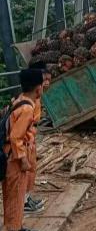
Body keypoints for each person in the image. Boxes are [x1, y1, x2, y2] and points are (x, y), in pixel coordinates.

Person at [2, 69, 43, 231]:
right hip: (14, 159)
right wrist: (22, 159)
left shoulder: (20, 100)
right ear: (38, 87)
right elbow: (15, 137)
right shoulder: (27, 108)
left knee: (17, 195)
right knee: (14, 195)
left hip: (13, 155)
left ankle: (17, 229)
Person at [22, 61, 52, 213]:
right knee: (25, 171)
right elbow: (18, 133)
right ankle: (24, 201)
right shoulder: (27, 103)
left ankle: (27, 197)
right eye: (44, 81)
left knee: (32, 169)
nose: (46, 83)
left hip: (31, 140)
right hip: (26, 142)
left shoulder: (36, 99)